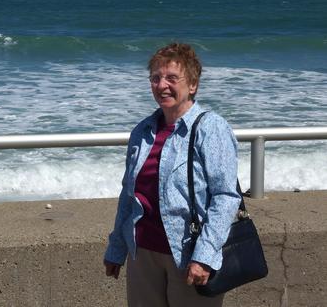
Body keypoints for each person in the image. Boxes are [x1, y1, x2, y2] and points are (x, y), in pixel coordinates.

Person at [103, 43, 241, 307]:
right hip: (142, 254)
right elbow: (129, 195)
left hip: (189, 254)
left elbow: (225, 196)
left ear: (192, 85)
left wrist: (204, 256)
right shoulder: (142, 131)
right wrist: (117, 248)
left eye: (171, 78)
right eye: (155, 78)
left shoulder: (210, 128)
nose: (162, 85)